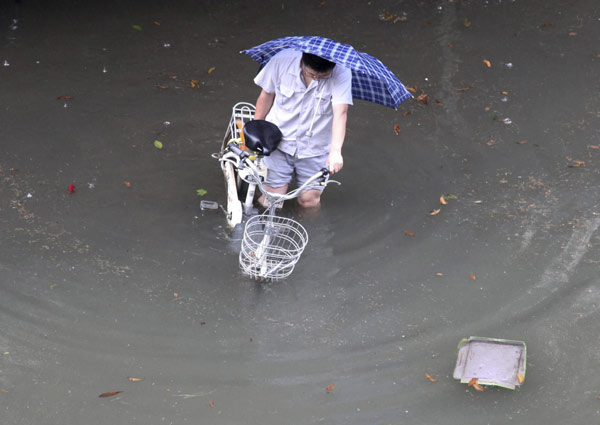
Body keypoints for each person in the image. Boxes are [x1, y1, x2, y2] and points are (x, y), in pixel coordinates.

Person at [252, 49, 352, 210]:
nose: (317, 79)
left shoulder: (342, 72)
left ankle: (313, 231)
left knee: (309, 201)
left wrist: (336, 152)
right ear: (302, 62)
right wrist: (256, 129)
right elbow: (266, 95)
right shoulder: (281, 60)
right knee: (271, 200)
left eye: (323, 77)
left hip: (316, 146)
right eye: (312, 75)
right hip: (278, 141)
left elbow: (341, 112)